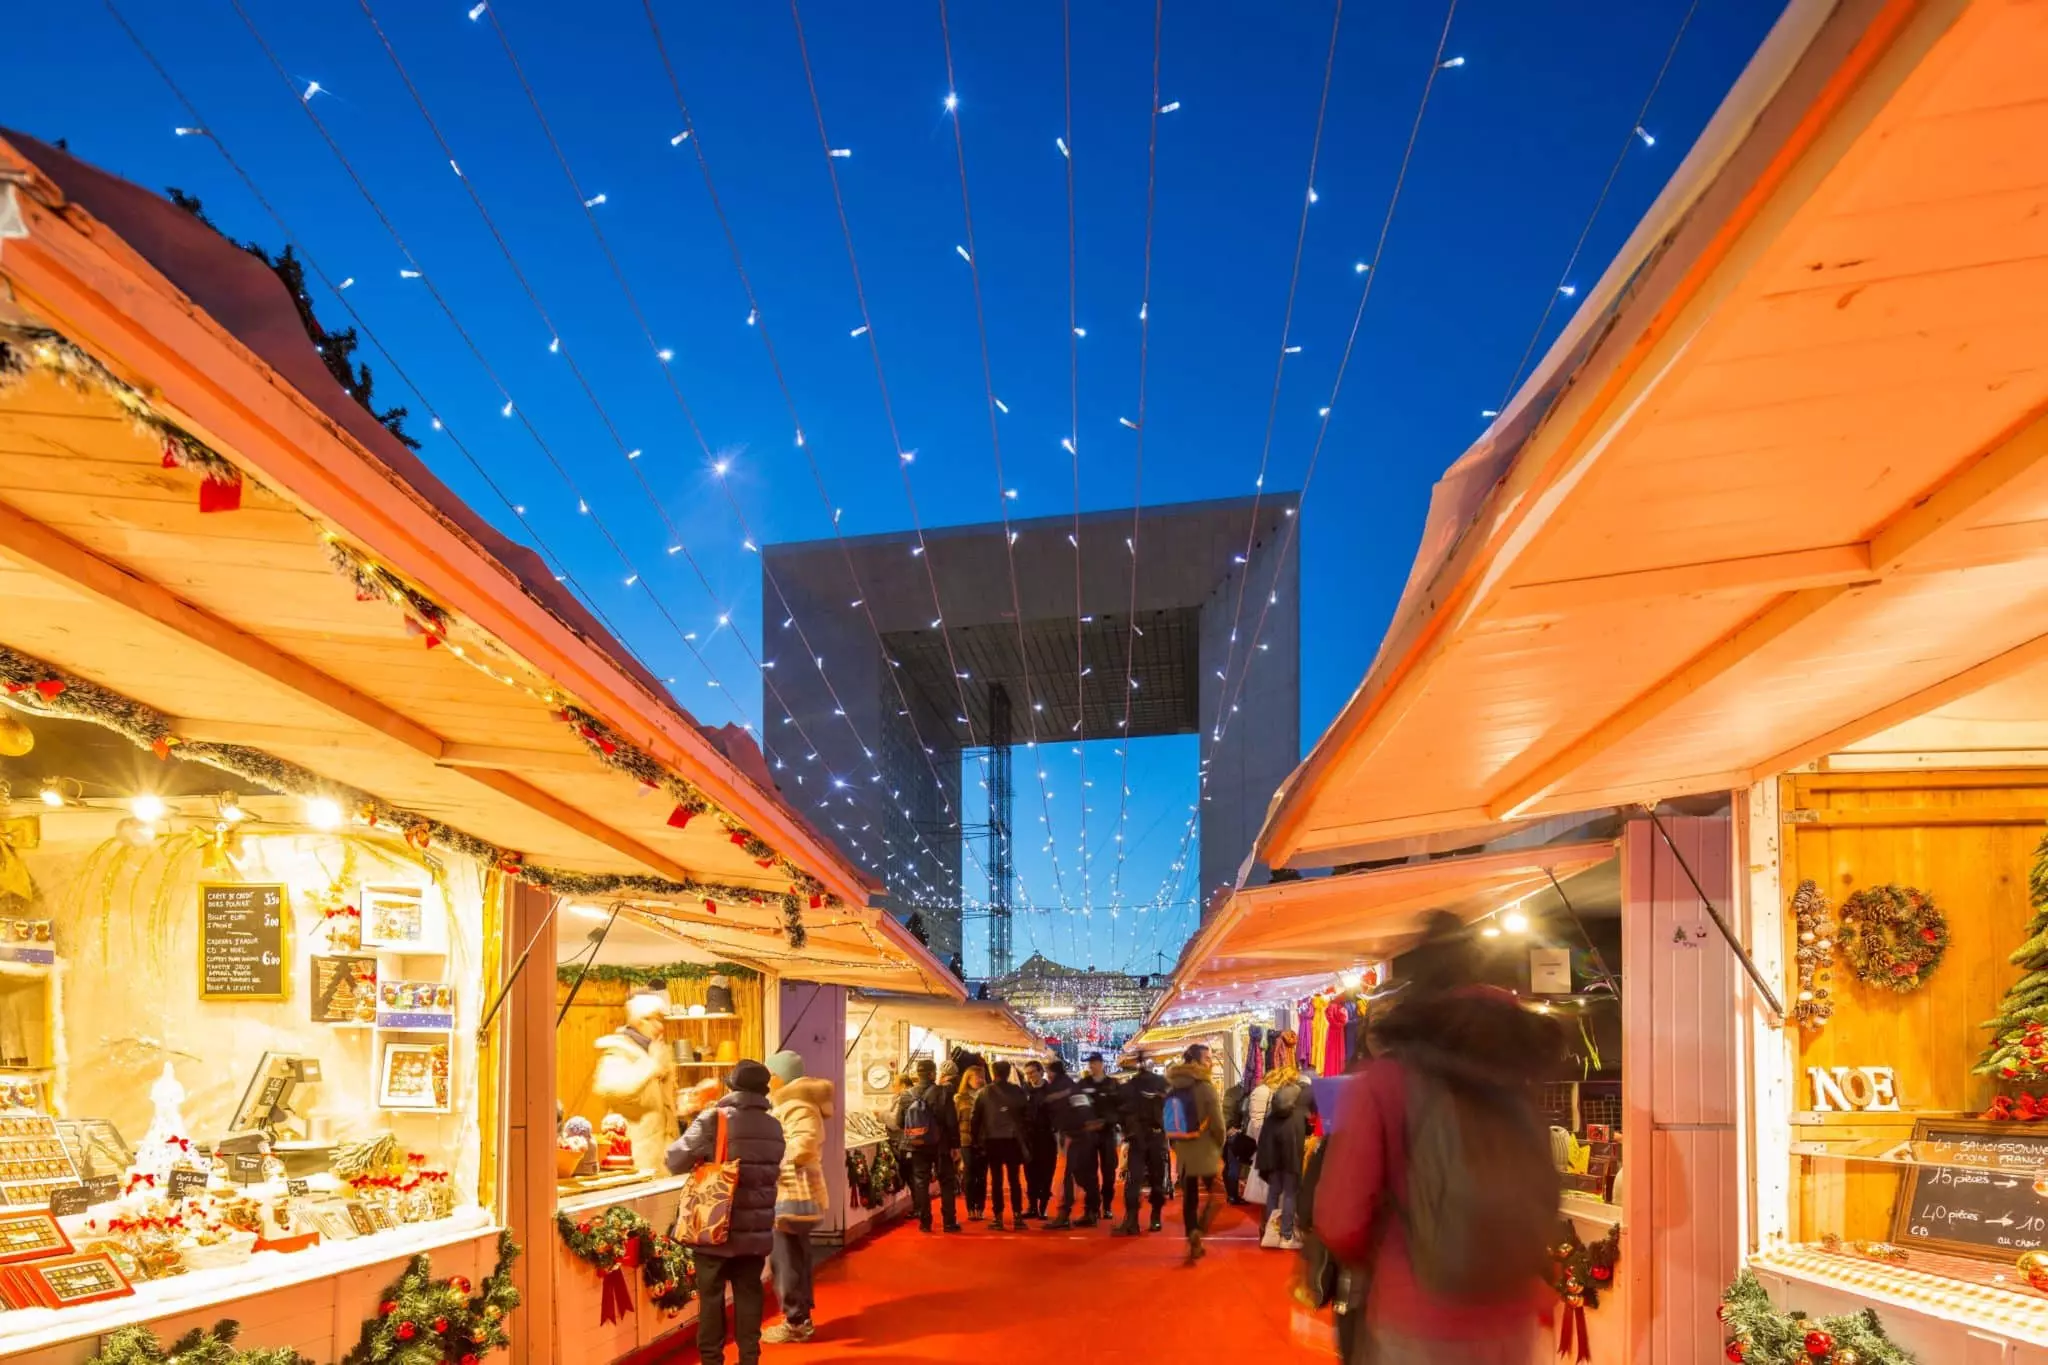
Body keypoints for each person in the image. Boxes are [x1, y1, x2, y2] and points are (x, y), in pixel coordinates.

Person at [1319, 985, 1562, 1364]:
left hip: (1417, 1315)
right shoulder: (1515, 1088)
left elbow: (1340, 1220)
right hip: (1512, 1316)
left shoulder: (1385, 1080)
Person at [666, 1060, 785, 1365]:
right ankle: (749, 1358)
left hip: (713, 1227)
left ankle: (712, 1360)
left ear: (732, 1085)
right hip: (755, 1230)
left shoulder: (713, 1119)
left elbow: (674, 1159)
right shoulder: (774, 1126)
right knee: (749, 1294)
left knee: (712, 1299)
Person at [762, 1051, 831, 1345]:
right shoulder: (800, 1103)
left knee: (785, 1257)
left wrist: (768, 1159)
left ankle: (796, 1321)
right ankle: (800, 1316)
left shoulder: (796, 1105)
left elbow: (802, 1146)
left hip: (791, 1190)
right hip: (797, 1192)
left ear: (779, 1077)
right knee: (795, 1254)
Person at [1165, 1042, 1225, 1263]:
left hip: (1184, 1151)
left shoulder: (1173, 1087)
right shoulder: (1205, 1087)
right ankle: (1199, 1229)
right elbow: (1218, 1124)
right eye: (1207, 1058)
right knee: (1218, 1194)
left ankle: (1192, 1234)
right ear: (1195, 1061)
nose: (1210, 1062)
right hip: (1206, 1149)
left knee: (1189, 1198)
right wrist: (1220, 1144)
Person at [901, 1058, 962, 1233]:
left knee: (920, 1182)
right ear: (932, 1073)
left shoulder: (906, 1095)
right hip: (940, 1144)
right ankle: (949, 1222)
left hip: (917, 1144)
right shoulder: (943, 1093)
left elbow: (899, 1121)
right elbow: (951, 1121)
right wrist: (955, 1146)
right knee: (946, 1181)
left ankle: (925, 1222)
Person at [1255, 1064, 1310, 1250]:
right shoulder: (1301, 1096)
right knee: (1290, 1193)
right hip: (1290, 1151)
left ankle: (1271, 1233)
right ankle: (1286, 1236)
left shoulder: (1276, 1099)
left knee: (1273, 1192)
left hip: (1271, 1151)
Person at [1112, 1056, 1169, 1236]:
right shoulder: (1161, 1085)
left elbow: (1119, 1111)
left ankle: (1134, 1220)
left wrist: (1126, 1130)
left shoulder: (1130, 1087)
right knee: (1153, 1179)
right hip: (1150, 1135)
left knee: (1137, 1180)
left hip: (1142, 1136)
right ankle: (1150, 1217)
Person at [972, 1060, 1030, 1230]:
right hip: (1012, 1139)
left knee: (996, 1180)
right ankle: (1018, 1215)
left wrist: (976, 1141)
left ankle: (998, 1217)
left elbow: (976, 1118)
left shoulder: (984, 1093)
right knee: (1014, 1179)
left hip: (992, 1140)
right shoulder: (1017, 1091)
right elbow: (1026, 1115)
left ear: (993, 1071)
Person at [1078, 1054, 1123, 1217]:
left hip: (1107, 1133)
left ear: (1101, 1064)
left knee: (1109, 1171)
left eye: (1094, 1063)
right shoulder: (1083, 1084)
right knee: (1088, 1171)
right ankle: (1092, 1206)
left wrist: (1107, 1121)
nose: (1091, 1066)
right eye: (1090, 1064)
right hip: (1088, 1134)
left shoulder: (1112, 1084)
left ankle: (1107, 1206)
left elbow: (1120, 1108)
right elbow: (1076, 1105)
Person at [1021, 1059, 1055, 1220]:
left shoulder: (1051, 1091)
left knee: (1046, 1172)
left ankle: (1043, 1206)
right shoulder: (1023, 1091)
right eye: (1027, 1074)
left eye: (1032, 1072)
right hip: (1029, 1138)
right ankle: (1032, 1205)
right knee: (1030, 1173)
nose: (1030, 1076)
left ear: (1041, 1072)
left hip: (1046, 1137)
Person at [955, 1064, 989, 1221]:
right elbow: (956, 1121)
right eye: (976, 1077)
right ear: (967, 1078)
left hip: (983, 1141)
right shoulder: (959, 1098)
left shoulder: (987, 1096)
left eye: (981, 1076)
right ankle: (970, 1207)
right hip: (966, 1140)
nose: (979, 1080)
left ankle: (980, 1207)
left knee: (982, 1176)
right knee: (969, 1175)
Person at [1222, 1077, 1251, 1204]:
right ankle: (1233, 1196)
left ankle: (1232, 1195)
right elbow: (1228, 1114)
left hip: (1232, 1131)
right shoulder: (1238, 1093)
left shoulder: (1233, 1092)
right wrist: (1230, 1128)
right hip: (1234, 1132)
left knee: (1231, 1165)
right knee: (1233, 1165)